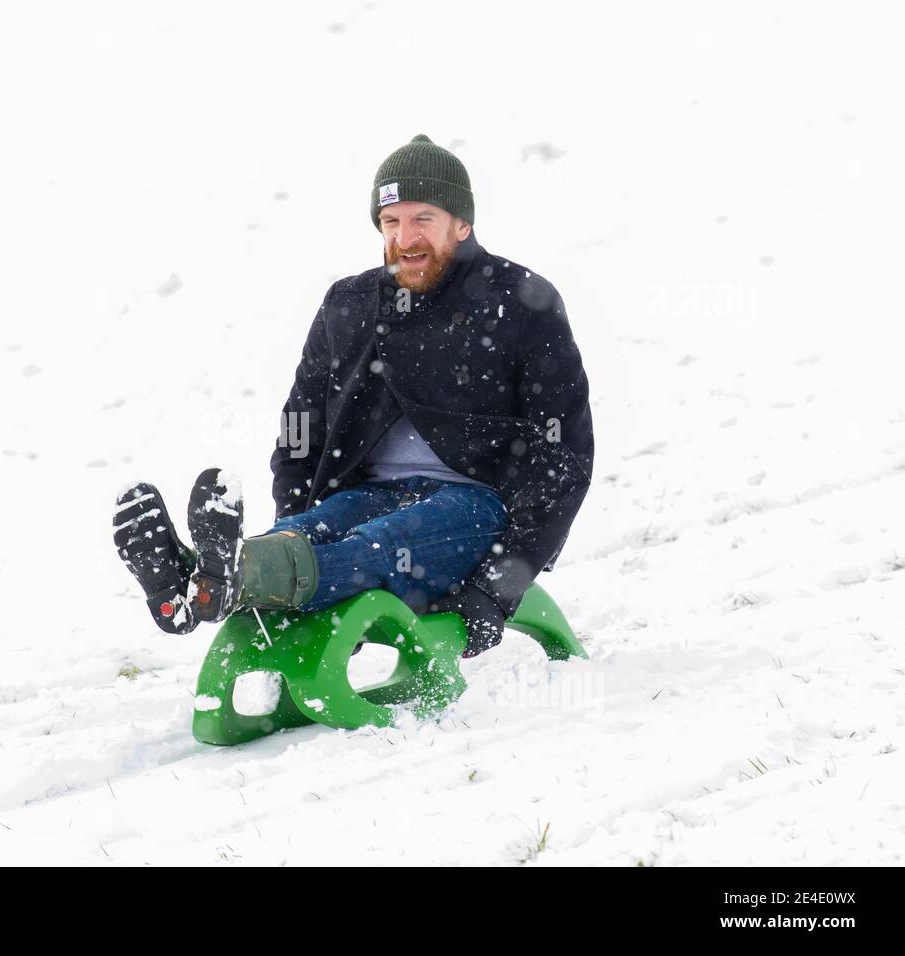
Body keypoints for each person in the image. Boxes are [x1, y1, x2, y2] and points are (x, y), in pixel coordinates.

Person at [114, 134, 594, 657]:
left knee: (381, 546)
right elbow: (300, 429)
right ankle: (198, 583)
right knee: (313, 529)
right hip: (368, 494)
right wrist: (289, 520)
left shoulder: (520, 301)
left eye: (423, 220)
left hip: (477, 504)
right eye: (391, 223)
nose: (405, 238)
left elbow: (564, 454)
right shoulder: (350, 305)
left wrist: (500, 586)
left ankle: (230, 576)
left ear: (462, 223)